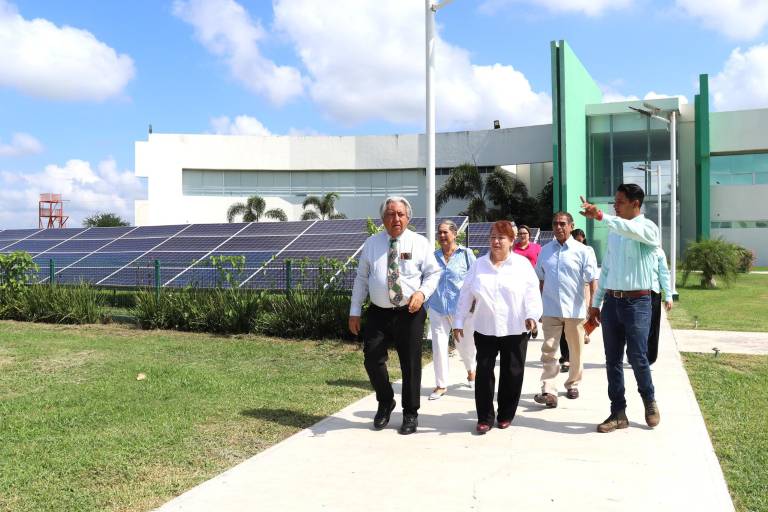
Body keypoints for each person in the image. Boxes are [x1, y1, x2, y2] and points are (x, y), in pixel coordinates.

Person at [349, 196, 441, 435]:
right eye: (390, 214)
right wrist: (355, 311)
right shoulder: (371, 244)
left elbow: (433, 274)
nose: (396, 219)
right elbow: (361, 278)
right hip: (378, 312)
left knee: (410, 364)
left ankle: (410, 413)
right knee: (372, 358)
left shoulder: (420, 243)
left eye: (400, 214)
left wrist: (422, 293)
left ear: (408, 217)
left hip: (409, 312)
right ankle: (385, 400)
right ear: (383, 219)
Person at [581, 184, 662, 433]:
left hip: (638, 303)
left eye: (620, 202)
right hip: (612, 303)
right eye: (614, 202)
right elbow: (606, 270)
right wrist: (596, 304)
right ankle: (618, 412)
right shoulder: (615, 233)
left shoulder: (648, 229)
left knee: (638, 357)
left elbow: (632, 229)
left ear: (635, 204)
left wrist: (601, 217)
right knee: (612, 359)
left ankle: (649, 400)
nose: (614, 206)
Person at [453, 221, 542, 434]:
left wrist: (532, 315)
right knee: (483, 372)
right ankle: (484, 417)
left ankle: (505, 414)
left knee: (512, 372)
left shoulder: (522, 265)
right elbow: (466, 294)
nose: (496, 241)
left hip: (515, 327)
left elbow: (532, 293)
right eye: (492, 237)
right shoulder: (478, 265)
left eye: (501, 237)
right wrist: (458, 321)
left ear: (511, 241)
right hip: (485, 327)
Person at [533, 213, 598, 408]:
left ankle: (572, 383)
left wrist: (593, 307)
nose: (559, 227)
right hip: (551, 308)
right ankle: (549, 389)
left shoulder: (583, 251)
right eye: (555, 224)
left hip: (574, 310)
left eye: (562, 224)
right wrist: (539, 307)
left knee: (575, 350)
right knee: (549, 350)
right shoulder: (545, 251)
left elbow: (592, 281)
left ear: (571, 226)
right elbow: (540, 280)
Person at [426, 220, 477, 400]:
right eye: (439, 232)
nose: (441, 236)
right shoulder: (433, 257)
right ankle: (441, 385)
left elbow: (476, 279)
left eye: (445, 232)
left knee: (465, 346)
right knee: (439, 346)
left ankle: (471, 370)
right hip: (437, 308)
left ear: (454, 234)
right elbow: (427, 280)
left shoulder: (466, 254)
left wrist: (474, 304)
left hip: (461, 310)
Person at [559, 228, 594, 372]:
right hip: (566, 292)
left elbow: (592, 275)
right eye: (577, 239)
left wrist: (593, 298)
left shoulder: (587, 250)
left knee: (584, 314)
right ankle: (566, 357)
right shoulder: (563, 251)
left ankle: (585, 333)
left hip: (584, 287)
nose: (579, 242)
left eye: (581, 240)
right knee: (563, 326)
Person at [513, 224, 542, 339]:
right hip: (517, 282)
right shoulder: (513, 249)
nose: (522, 235)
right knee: (521, 305)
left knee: (532, 304)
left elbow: (542, 263)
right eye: (520, 233)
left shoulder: (537, 248)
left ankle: (533, 324)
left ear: (529, 235)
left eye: (524, 233)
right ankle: (525, 326)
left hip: (533, 282)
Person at [648, 247, 674, 364]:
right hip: (635, 293)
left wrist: (668, 295)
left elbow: (664, 273)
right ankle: (635, 353)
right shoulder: (634, 247)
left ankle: (650, 358)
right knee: (635, 327)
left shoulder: (658, 251)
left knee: (653, 326)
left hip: (653, 293)